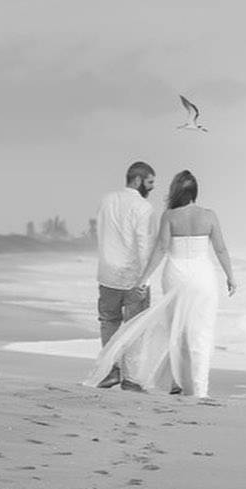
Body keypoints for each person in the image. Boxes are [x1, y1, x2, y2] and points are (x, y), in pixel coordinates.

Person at [84, 169, 237, 398]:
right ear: (195, 192)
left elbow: (162, 249)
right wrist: (231, 277)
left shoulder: (170, 216)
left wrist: (143, 279)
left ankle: (177, 382)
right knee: (201, 331)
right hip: (202, 276)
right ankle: (200, 389)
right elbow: (221, 249)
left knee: (175, 330)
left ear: (175, 191)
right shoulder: (209, 215)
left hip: (175, 274)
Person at [94, 161, 157, 389]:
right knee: (136, 328)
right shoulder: (143, 208)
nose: (151, 188)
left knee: (109, 322)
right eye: (150, 182)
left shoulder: (106, 200)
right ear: (138, 180)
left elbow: (101, 232)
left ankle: (110, 371)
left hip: (107, 273)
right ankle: (131, 379)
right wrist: (145, 280)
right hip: (133, 277)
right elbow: (144, 245)